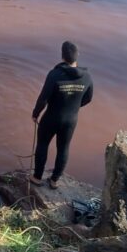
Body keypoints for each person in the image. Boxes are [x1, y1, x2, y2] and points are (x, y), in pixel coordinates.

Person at [30, 41, 94, 189]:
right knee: (63, 148)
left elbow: (43, 99)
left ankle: (37, 178)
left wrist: (35, 114)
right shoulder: (87, 77)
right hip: (71, 119)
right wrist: (74, 107)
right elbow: (88, 98)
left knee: (42, 145)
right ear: (77, 56)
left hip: (51, 117)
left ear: (62, 56)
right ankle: (54, 180)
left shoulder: (54, 74)